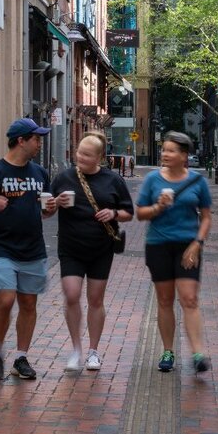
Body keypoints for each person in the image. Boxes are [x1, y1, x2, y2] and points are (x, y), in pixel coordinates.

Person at [0, 117, 57, 381]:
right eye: (36, 139)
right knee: (5, 300)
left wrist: (51, 209)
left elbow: (45, 212)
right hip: (3, 247)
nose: (39, 143)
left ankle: (20, 357)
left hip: (34, 249)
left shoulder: (40, 173)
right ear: (21, 141)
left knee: (28, 302)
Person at [50, 132, 134, 371]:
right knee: (72, 294)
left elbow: (128, 212)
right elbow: (45, 212)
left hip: (100, 249)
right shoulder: (64, 178)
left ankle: (93, 352)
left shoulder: (113, 181)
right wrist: (55, 203)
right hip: (70, 248)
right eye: (79, 152)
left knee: (95, 300)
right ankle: (76, 349)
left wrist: (113, 213)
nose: (81, 157)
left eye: (87, 154)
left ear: (99, 157)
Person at [136, 131, 212, 373]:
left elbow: (207, 217)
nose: (165, 154)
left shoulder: (198, 182)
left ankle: (198, 353)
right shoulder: (152, 180)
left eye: (171, 151)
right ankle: (168, 351)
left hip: (188, 246)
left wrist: (197, 243)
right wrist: (158, 206)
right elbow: (140, 213)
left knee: (189, 298)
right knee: (165, 300)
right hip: (158, 245)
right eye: (164, 150)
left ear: (184, 155)